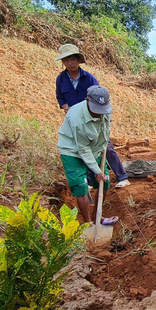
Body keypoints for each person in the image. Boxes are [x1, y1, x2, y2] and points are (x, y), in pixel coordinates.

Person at [54, 43, 131, 188]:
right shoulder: (61, 79)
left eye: (73, 59)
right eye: (66, 60)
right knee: (81, 148)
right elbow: (60, 98)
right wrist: (66, 107)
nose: (70, 63)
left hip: (94, 117)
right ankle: (89, 181)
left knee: (105, 145)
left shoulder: (89, 79)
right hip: (75, 120)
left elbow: (99, 98)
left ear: (78, 60)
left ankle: (122, 176)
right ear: (63, 62)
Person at [57, 85, 118, 225]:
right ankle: (88, 223)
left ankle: (98, 217)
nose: (100, 113)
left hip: (95, 148)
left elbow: (106, 130)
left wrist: (103, 148)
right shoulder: (77, 118)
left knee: (105, 181)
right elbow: (82, 148)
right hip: (72, 151)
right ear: (87, 100)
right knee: (81, 186)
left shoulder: (105, 110)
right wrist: (96, 171)